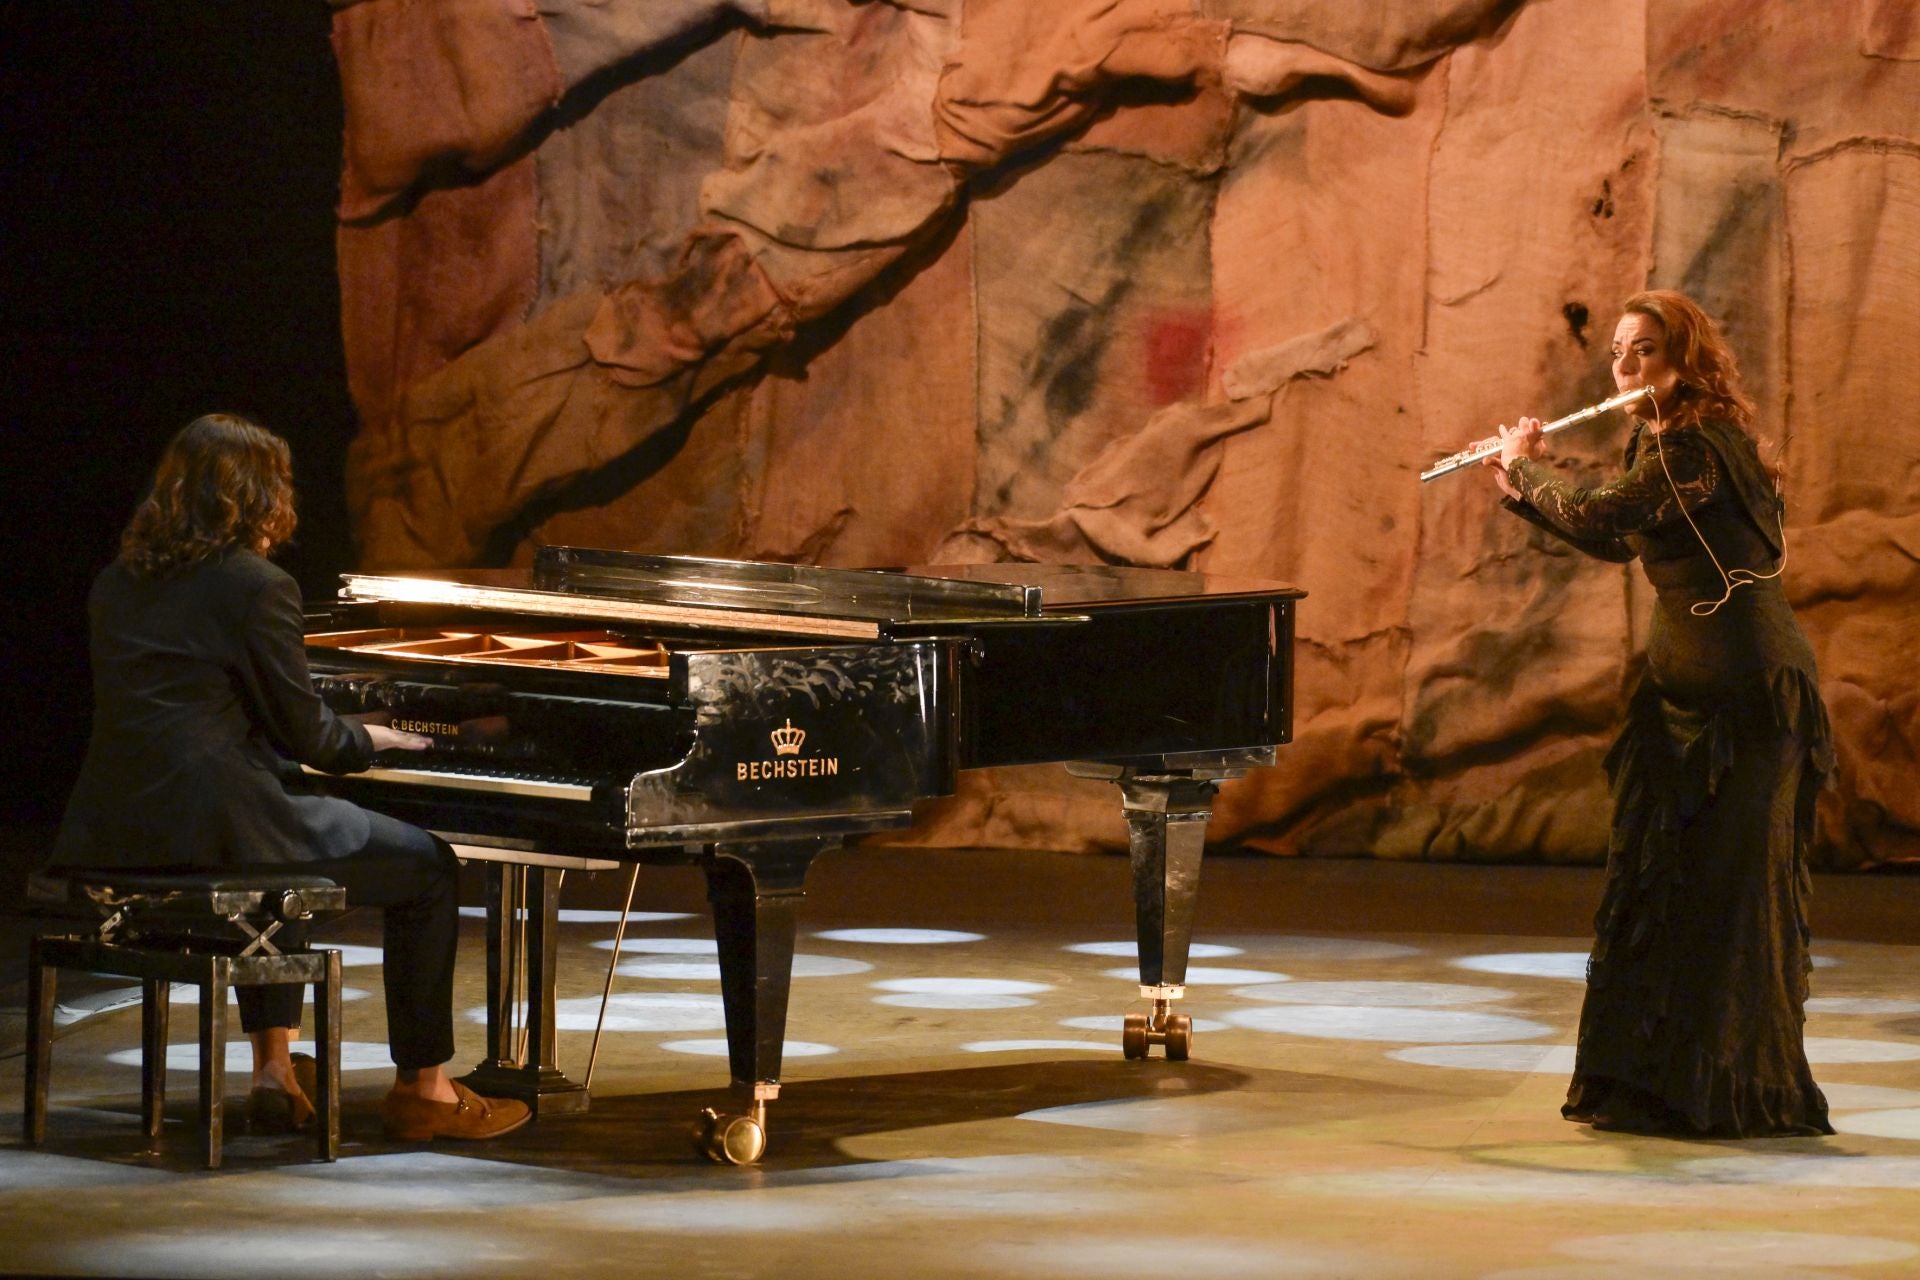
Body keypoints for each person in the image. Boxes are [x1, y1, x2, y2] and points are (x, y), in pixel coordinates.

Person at [51, 413, 530, 1142]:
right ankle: (426, 1088)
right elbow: (310, 735)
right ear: (255, 495)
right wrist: (375, 735)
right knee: (428, 867)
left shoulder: (118, 583)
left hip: (116, 829)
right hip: (223, 828)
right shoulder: (256, 585)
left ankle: (274, 1071)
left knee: (286, 837)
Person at [1483, 290, 1833, 1137]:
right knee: (1671, 897)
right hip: (1684, 700)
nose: (1625, 367)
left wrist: (1527, 462)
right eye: (1616, 353)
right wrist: (1522, 490)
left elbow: (1606, 510)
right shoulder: (1664, 445)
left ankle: (1729, 1095)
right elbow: (1619, 538)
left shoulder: (1697, 449)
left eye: (1643, 350)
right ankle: (1655, 1089)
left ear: (1686, 358)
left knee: (1725, 903)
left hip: (1748, 701)